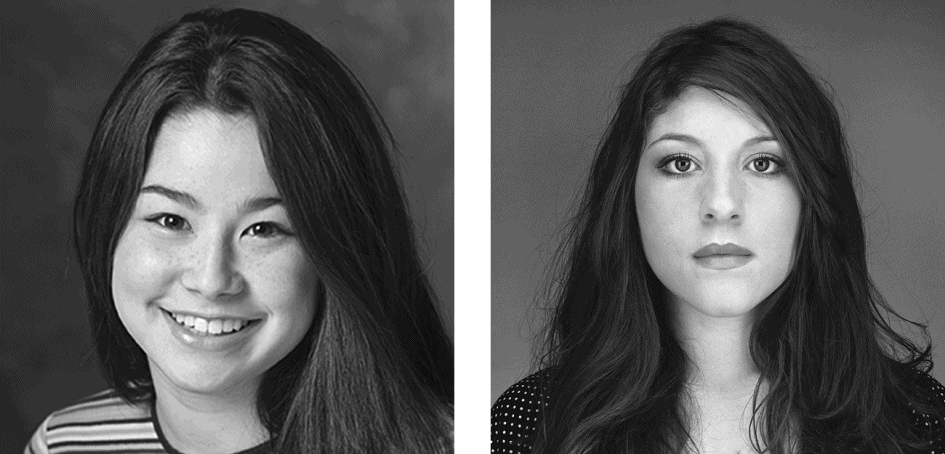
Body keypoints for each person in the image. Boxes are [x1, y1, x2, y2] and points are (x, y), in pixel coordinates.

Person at [492, 17, 945, 454]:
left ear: (813, 196)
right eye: (681, 163)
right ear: (626, 193)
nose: (722, 205)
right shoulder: (531, 424)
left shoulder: (919, 420)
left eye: (763, 163)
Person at [24, 8, 453, 454]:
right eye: (171, 221)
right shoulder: (63, 446)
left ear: (337, 248)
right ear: (107, 226)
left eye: (264, 229)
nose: (211, 280)